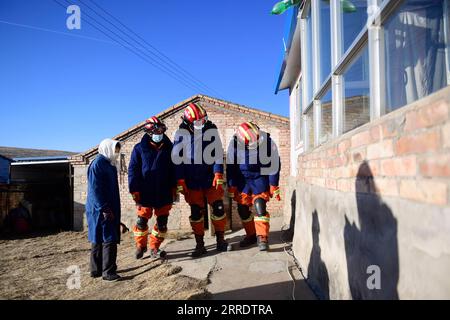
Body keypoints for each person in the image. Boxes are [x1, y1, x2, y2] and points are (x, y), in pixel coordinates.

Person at [172, 102, 230, 257]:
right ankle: (200, 245)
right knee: (196, 213)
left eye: (203, 120)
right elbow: (177, 158)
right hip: (191, 181)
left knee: (218, 208)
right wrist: (181, 180)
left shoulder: (211, 129)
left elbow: (218, 152)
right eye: (198, 122)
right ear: (188, 122)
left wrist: (218, 173)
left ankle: (221, 241)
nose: (202, 123)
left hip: (210, 178)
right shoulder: (180, 134)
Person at [226, 122, 281, 251]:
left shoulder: (268, 142)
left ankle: (262, 237)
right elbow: (231, 167)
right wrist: (232, 185)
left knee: (260, 206)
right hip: (242, 180)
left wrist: (273, 184)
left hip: (259, 178)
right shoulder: (233, 145)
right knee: (242, 209)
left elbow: (274, 164)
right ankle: (251, 235)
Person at [129, 116, 175, 259]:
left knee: (162, 223)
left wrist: (175, 186)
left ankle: (154, 247)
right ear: (149, 132)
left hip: (164, 191)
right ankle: (140, 246)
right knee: (141, 222)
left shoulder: (170, 148)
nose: (159, 134)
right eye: (156, 131)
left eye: (161, 130)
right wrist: (134, 189)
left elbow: (174, 169)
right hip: (145, 192)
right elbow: (133, 170)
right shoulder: (139, 149)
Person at [86, 138, 122, 282]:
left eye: (118, 150)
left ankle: (96, 270)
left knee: (99, 238)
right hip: (101, 208)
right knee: (109, 238)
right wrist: (104, 208)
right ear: (107, 148)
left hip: (103, 207)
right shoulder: (99, 164)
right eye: (115, 150)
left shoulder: (108, 163)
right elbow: (95, 189)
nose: (117, 153)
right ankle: (108, 272)